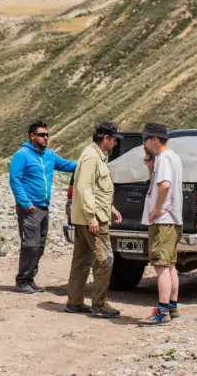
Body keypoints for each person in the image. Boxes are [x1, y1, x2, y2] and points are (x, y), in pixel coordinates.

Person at [9, 121, 77, 293]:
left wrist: (89, 163)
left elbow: (68, 165)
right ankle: (22, 281)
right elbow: (15, 180)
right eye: (42, 135)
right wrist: (26, 203)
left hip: (44, 208)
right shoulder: (21, 155)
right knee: (30, 245)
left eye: (47, 135)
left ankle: (30, 279)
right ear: (32, 136)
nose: (46, 138)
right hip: (30, 208)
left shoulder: (49, 156)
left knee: (39, 246)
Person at [65, 121, 123, 318]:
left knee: (81, 260)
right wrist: (92, 217)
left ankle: (74, 302)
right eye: (114, 140)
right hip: (93, 218)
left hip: (86, 216)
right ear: (105, 139)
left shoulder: (95, 155)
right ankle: (99, 303)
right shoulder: (92, 157)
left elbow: (98, 189)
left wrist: (111, 208)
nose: (115, 144)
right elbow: (84, 188)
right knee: (105, 259)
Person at [138, 122, 183, 325]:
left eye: (145, 139)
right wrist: (150, 168)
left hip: (163, 220)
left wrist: (155, 210)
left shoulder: (164, 158)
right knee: (170, 264)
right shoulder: (172, 157)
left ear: (154, 139)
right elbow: (158, 182)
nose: (144, 144)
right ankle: (172, 307)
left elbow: (164, 185)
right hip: (173, 220)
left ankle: (162, 311)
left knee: (161, 266)